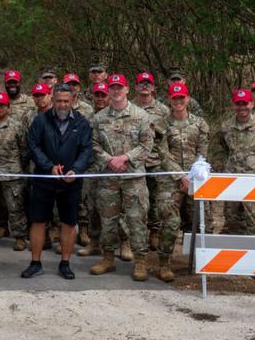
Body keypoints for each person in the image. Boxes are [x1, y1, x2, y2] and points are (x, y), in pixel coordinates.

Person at [23, 84, 92, 280]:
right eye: (59, 101)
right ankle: (35, 263)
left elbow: (86, 150)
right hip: (45, 179)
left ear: (72, 101)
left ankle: (65, 263)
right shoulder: (40, 121)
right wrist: (48, 166)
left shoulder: (82, 123)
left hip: (70, 182)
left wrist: (76, 170)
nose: (62, 105)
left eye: (66, 101)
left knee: (68, 222)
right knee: (38, 220)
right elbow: (33, 145)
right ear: (52, 100)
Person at [89, 74, 153, 281]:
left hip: (133, 177)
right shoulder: (99, 118)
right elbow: (93, 144)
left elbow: (146, 145)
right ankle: (108, 258)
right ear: (108, 91)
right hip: (109, 177)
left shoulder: (141, 115)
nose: (116, 91)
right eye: (112, 87)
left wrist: (125, 158)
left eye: (120, 87)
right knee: (108, 220)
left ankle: (140, 261)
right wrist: (110, 160)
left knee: (136, 219)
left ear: (127, 90)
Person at [154, 82, 209, 282]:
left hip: (196, 177)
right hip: (170, 178)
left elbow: (203, 152)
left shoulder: (200, 123)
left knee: (201, 219)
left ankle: (199, 260)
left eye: (181, 98)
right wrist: (181, 176)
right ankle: (164, 262)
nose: (178, 101)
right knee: (170, 221)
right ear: (169, 100)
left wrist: (194, 175)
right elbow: (163, 153)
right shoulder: (161, 124)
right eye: (174, 98)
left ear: (187, 99)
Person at [212, 89, 255, 235]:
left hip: (254, 179)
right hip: (231, 179)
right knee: (232, 219)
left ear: (251, 104)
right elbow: (221, 149)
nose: (242, 107)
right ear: (233, 105)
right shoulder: (226, 127)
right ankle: (236, 254)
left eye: (245, 103)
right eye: (238, 104)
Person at [132, 71, 170, 253]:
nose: (144, 86)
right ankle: (135, 237)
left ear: (154, 87)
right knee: (136, 201)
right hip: (135, 162)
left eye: (148, 83)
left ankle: (154, 232)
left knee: (155, 199)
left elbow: (166, 137)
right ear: (135, 87)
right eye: (141, 83)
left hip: (155, 161)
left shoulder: (163, 110)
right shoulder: (129, 107)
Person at [0, 92, 29, 251]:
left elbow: (25, 150)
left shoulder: (16, 126)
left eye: (2, 105)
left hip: (11, 173)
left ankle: (19, 236)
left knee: (15, 207)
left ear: (8, 107)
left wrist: (18, 167)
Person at [78, 81, 109, 257]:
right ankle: (94, 241)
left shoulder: (113, 116)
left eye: (103, 95)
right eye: (97, 95)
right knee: (91, 207)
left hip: (110, 169)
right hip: (91, 168)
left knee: (115, 209)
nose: (100, 98)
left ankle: (124, 243)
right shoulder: (87, 119)